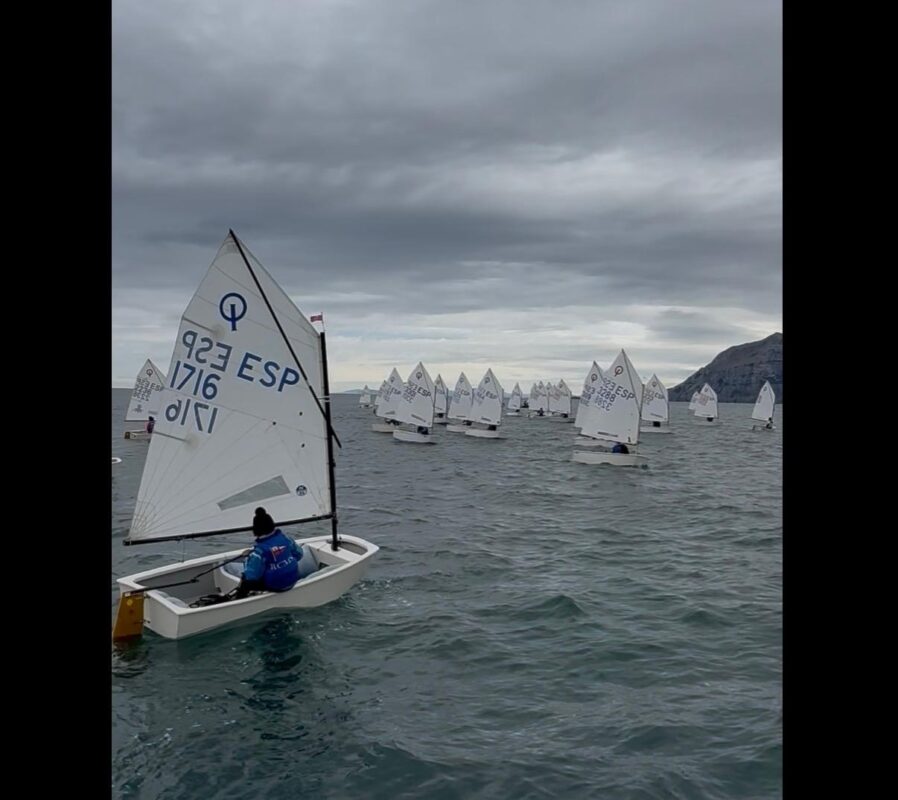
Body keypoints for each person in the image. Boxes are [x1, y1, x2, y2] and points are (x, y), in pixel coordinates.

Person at [233, 508, 304, 599]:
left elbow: (251, 576)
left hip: (275, 586)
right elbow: (299, 554)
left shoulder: (259, 552)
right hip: (293, 578)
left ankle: (239, 600)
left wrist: (248, 558)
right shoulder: (286, 539)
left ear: (256, 530)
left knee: (246, 580)